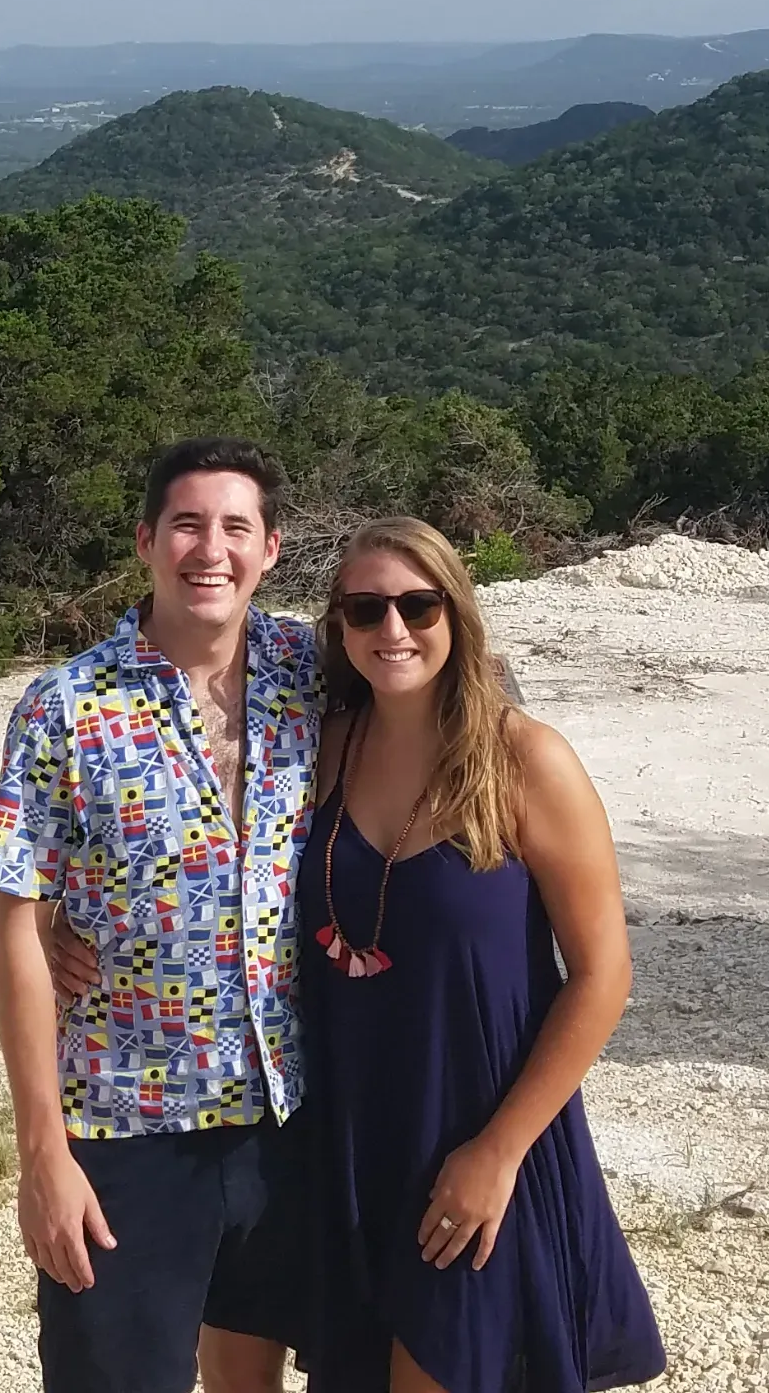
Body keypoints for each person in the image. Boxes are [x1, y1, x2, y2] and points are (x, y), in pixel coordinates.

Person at [0, 437, 321, 1393]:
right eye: (187, 525)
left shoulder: (314, 672)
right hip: (125, 1129)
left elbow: (452, 703)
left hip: (288, 1118)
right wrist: (43, 1156)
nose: (211, 550)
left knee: (257, 1379)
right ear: (146, 541)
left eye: (236, 527)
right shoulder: (67, 705)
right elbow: (14, 922)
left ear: (271, 548)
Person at [300, 516, 666, 1393]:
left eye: (418, 606)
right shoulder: (323, 749)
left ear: (456, 614)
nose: (392, 629)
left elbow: (603, 974)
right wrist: (66, 927)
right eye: (365, 609)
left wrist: (499, 1152)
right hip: (352, 1135)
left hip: (481, 1132)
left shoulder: (523, 759)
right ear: (340, 624)